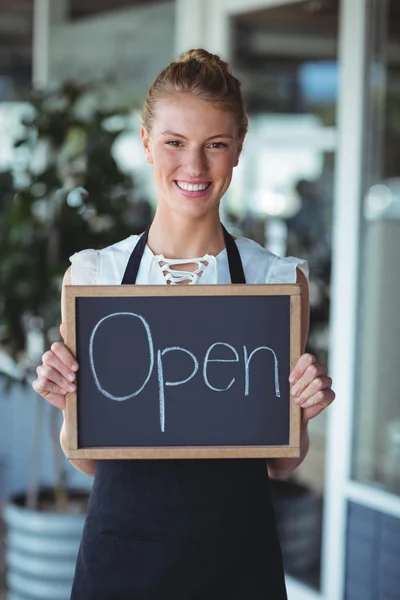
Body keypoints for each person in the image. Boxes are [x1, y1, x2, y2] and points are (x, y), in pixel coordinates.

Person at [32, 48, 335, 600]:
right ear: (147, 144)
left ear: (238, 150)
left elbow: (281, 460)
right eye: (175, 142)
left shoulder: (277, 280)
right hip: (120, 557)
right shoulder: (93, 275)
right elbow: (88, 460)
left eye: (215, 145)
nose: (194, 168)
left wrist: (304, 409)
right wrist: (67, 403)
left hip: (237, 561)